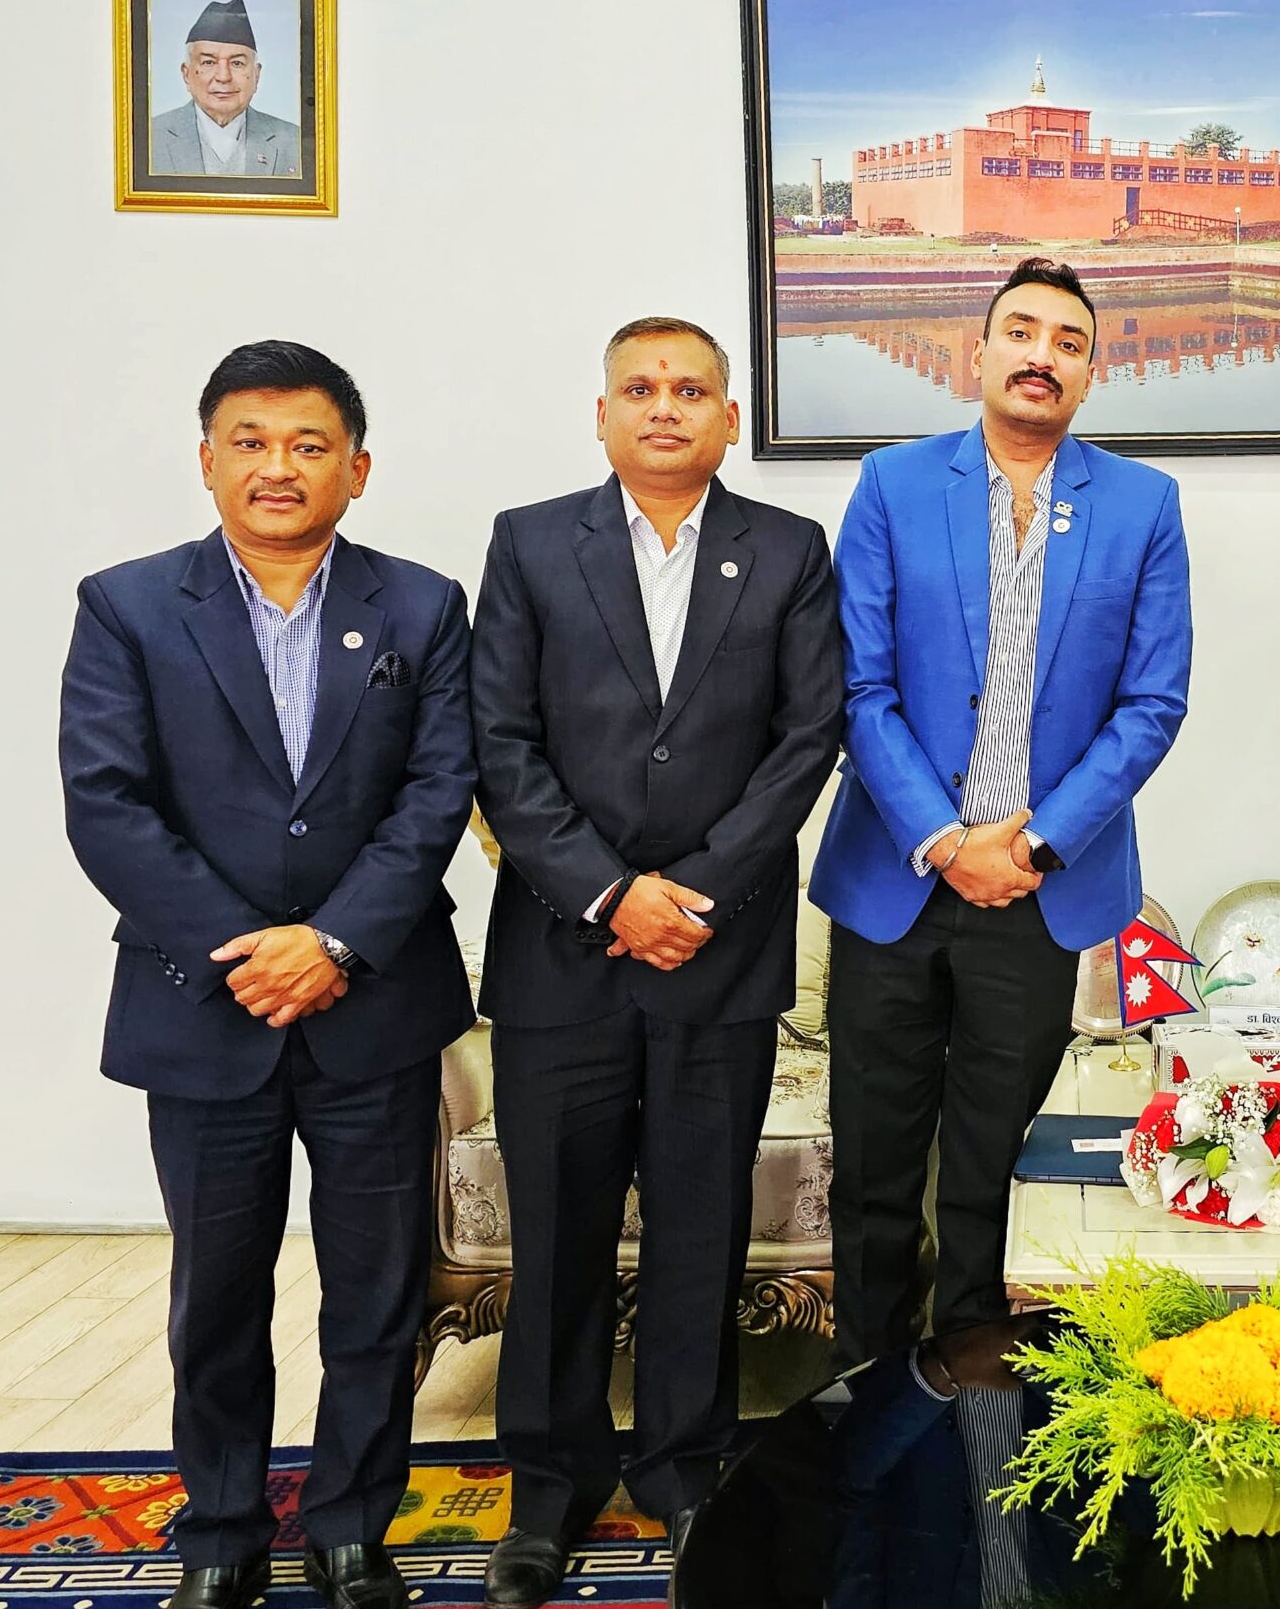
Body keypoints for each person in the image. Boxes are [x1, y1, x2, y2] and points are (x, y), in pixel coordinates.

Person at [59, 343, 474, 1609]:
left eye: (308, 445)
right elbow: (107, 803)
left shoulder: (422, 607)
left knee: (377, 1294)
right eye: (249, 442)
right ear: (207, 460)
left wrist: (333, 943)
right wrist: (248, 951)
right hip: (204, 1006)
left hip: (373, 1005)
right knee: (217, 1296)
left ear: (358, 467)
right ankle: (222, 1531)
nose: (278, 467)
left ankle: (351, 1527)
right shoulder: (129, 605)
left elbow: (437, 794)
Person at [469, 318, 842, 1608]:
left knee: (698, 1226)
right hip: (561, 954)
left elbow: (805, 739)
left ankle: (685, 1469)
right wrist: (610, 893)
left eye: (691, 390)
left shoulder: (786, 550)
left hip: (717, 951)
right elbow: (500, 741)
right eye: (640, 388)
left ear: (729, 419)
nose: (665, 407)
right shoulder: (530, 543)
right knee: (556, 1233)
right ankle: (548, 1484)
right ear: (602, 414)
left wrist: (697, 892)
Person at [811, 255, 1192, 1365]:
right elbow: (859, 687)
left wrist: (1035, 842)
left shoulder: (1142, 505)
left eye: (1068, 343)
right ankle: (869, 1391)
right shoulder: (892, 485)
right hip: (896, 881)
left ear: (1090, 373)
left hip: (1041, 888)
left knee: (991, 1164)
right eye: (1020, 333)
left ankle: (976, 1403)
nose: (1041, 356)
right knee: (876, 1165)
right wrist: (944, 840)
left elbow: (1152, 703)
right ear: (976, 353)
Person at [148, 0, 303, 177]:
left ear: (256, 75)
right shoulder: (149, 137)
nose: (223, 77)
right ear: (186, 74)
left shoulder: (294, 141)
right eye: (208, 62)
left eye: (237, 63)